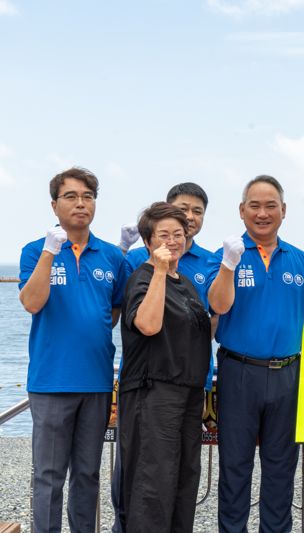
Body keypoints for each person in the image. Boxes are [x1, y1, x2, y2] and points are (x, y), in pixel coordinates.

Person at [207, 175, 304, 532]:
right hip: (239, 372)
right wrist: (229, 263)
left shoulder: (302, 261)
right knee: (235, 467)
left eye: (270, 205)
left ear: (283, 211)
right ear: (241, 211)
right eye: (254, 206)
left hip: (289, 374)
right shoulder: (223, 257)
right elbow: (216, 306)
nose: (262, 213)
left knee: (280, 467)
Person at [18, 167, 128, 532]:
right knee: (48, 477)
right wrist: (51, 254)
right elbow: (32, 303)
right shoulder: (35, 251)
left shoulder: (111, 257)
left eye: (88, 196)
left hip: (96, 383)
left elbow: (113, 312)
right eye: (71, 196)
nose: (81, 203)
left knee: (87, 475)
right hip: (50, 382)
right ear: (55, 205)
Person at [111, 182, 216, 532]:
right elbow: (149, 325)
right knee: (152, 484)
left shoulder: (184, 283)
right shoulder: (143, 278)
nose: (172, 241)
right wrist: (158, 271)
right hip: (152, 393)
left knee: (184, 481)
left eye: (178, 234)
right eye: (163, 235)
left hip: (187, 394)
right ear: (147, 242)